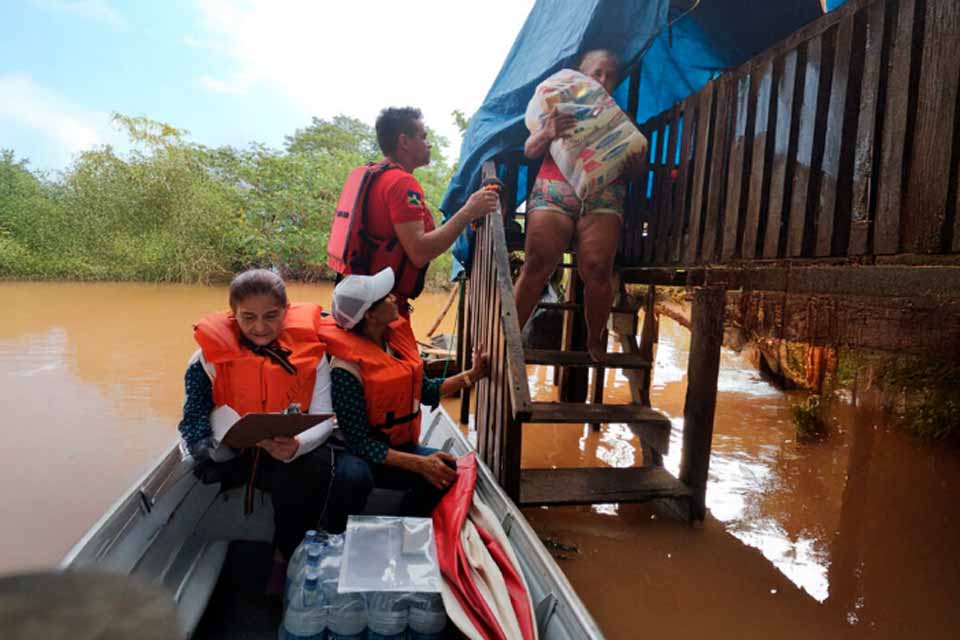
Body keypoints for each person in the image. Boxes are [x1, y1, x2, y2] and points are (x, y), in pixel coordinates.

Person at [177, 269, 335, 572]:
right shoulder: (205, 359)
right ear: (233, 314)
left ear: (286, 311)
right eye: (248, 317)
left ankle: (286, 555)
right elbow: (194, 416)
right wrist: (208, 449)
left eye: (271, 316)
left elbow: (323, 418)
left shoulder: (313, 355)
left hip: (287, 450)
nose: (260, 328)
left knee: (314, 469)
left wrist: (297, 445)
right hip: (236, 454)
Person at [319, 267, 489, 534]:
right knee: (354, 478)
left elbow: (427, 391)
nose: (393, 298)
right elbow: (360, 443)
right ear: (370, 315)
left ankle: (405, 527)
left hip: (398, 446)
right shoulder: (345, 370)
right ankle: (334, 531)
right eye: (385, 297)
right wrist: (420, 464)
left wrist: (472, 375)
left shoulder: (394, 343)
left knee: (445, 469)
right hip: (360, 455)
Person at [512, 49, 646, 361]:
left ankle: (594, 340)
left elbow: (638, 171)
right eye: (596, 73)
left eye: (610, 76)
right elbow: (530, 150)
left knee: (598, 270)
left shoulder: (621, 120)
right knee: (537, 263)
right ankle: (510, 336)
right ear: (581, 75)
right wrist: (548, 131)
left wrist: (635, 166)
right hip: (554, 190)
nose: (603, 80)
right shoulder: (558, 107)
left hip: (602, 197)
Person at [356, 106, 500, 314]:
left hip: (364, 301)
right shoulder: (401, 183)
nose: (428, 143)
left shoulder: (377, 174)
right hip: (381, 311)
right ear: (404, 142)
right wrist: (468, 211)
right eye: (423, 137)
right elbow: (419, 252)